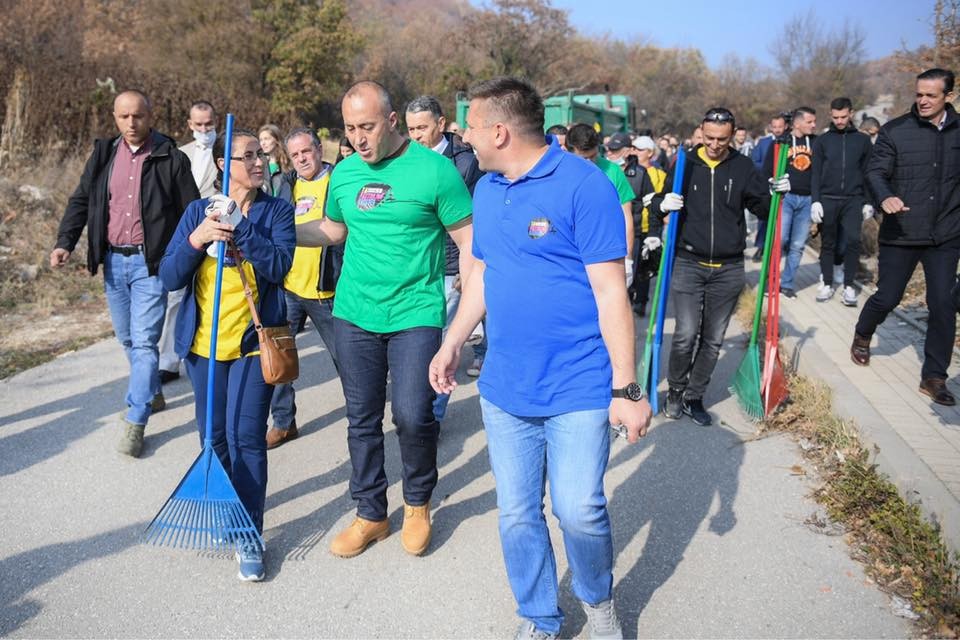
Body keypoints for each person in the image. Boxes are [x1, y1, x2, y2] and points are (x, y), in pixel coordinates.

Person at [429, 76, 652, 640]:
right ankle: (539, 615)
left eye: (471, 126)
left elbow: (610, 292)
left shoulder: (584, 186)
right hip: (506, 388)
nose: (465, 136)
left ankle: (597, 600)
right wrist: (454, 339)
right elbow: (481, 275)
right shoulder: (484, 187)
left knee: (577, 509)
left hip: (578, 384)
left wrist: (626, 389)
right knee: (519, 514)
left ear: (499, 131)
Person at [296, 81, 475, 558]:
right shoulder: (347, 173)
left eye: (367, 127)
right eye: (350, 128)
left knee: (414, 416)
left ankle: (417, 503)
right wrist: (280, 232)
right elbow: (334, 229)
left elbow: (467, 241)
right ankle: (370, 513)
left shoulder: (436, 171)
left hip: (416, 312)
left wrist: (468, 316)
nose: (357, 138)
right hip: (354, 313)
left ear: (392, 121)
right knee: (362, 419)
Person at [159, 127, 295, 581]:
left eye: (261, 155)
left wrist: (242, 229)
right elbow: (169, 276)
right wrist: (199, 237)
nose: (259, 163)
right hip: (203, 349)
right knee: (213, 439)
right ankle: (225, 508)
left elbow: (279, 266)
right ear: (223, 165)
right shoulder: (199, 210)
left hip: (253, 346)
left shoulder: (276, 211)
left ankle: (249, 534)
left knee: (246, 439)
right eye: (247, 156)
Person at [50, 90, 199, 458]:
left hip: (151, 265)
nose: (131, 124)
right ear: (114, 118)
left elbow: (190, 211)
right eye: (123, 117)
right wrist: (65, 242)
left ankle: (137, 418)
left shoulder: (170, 158)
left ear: (151, 116)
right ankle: (151, 390)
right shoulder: (103, 155)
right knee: (127, 338)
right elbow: (81, 200)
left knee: (146, 342)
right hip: (114, 262)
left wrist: (182, 257)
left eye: (138, 116)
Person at [655, 107, 787, 426]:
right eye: (709, 138)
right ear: (701, 131)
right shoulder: (685, 163)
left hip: (728, 268)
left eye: (722, 140)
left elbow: (762, 209)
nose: (715, 145)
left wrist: (776, 195)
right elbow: (662, 200)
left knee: (713, 340)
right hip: (688, 261)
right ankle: (675, 390)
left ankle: (694, 396)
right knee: (686, 333)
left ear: (732, 136)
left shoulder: (741, 167)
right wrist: (663, 204)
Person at [852, 68, 960, 407]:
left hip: (946, 233)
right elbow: (875, 171)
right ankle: (863, 332)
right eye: (919, 94)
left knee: (943, 303)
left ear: (949, 97)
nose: (923, 100)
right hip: (902, 231)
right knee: (888, 297)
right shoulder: (895, 130)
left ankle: (934, 376)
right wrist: (885, 196)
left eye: (931, 95)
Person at [405, 95, 485, 422]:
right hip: (417, 266)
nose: (416, 136)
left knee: (437, 343)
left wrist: (466, 271)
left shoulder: (465, 164)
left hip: (449, 267)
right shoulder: (407, 159)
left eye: (422, 128)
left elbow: (474, 222)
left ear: (441, 123)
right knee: (419, 341)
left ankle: (431, 418)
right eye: (410, 129)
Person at [266, 127, 343, 449]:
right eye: (295, 154)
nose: (301, 159)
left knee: (348, 361)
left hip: (329, 290)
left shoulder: (339, 180)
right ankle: (284, 422)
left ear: (318, 150)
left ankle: (364, 418)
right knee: (279, 360)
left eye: (306, 152)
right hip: (290, 289)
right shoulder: (286, 184)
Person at [158, 100, 219, 386]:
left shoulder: (230, 149)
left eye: (209, 124)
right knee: (174, 298)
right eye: (199, 125)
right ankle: (169, 360)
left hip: (220, 231)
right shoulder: (180, 154)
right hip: (187, 234)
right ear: (190, 124)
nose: (204, 129)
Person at [810, 97, 874, 305]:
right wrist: (815, 201)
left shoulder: (862, 141)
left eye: (843, 117)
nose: (839, 121)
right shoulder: (822, 141)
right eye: (835, 117)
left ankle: (848, 286)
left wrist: (868, 201)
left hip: (853, 199)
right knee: (828, 243)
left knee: (853, 242)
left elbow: (868, 172)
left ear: (851, 114)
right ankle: (827, 283)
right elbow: (816, 173)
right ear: (830, 115)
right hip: (828, 198)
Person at [565, 123, 636, 284]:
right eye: (584, 158)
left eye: (594, 156)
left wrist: (628, 259)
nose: (590, 162)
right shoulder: (560, 175)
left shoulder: (613, 171)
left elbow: (626, 216)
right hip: (572, 255)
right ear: (570, 152)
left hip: (606, 253)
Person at [605, 132, 666, 316]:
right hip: (610, 232)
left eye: (616, 150)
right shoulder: (604, 170)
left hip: (637, 230)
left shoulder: (640, 174)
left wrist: (654, 233)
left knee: (638, 271)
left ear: (627, 151)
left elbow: (651, 204)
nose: (611, 154)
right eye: (610, 150)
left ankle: (638, 302)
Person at [764, 106, 816, 298]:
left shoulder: (816, 143)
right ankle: (770, 282)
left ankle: (787, 284)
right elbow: (767, 170)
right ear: (797, 123)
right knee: (780, 240)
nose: (813, 125)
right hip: (786, 198)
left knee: (798, 244)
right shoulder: (780, 142)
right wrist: (771, 184)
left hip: (807, 199)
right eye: (809, 121)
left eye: (814, 121)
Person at [750, 113, 789, 261]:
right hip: (766, 185)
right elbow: (755, 161)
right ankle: (761, 246)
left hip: (784, 186)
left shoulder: (789, 142)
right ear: (770, 127)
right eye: (775, 127)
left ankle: (777, 247)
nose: (778, 130)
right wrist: (770, 168)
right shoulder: (764, 143)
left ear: (785, 126)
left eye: (780, 126)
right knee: (764, 218)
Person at [257, 124, 292, 200]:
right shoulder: (258, 164)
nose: (263, 143)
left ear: (276, 140)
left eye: (266, 139)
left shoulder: (288, 163)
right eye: (261, 140)